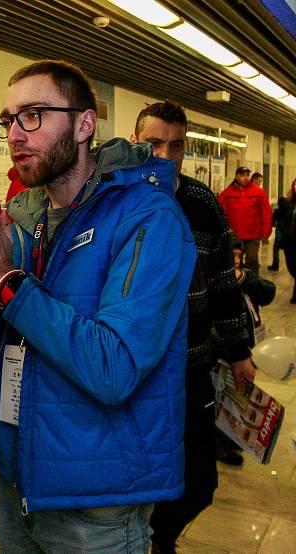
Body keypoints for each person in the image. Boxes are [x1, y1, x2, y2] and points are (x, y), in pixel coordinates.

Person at [0, 60, 195, 553]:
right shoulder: (25, 219)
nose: (15, 134)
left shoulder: (150, 219)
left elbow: (113, 367)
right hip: (18, 483)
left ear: (85, 125)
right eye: (10, 119)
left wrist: (9, 283)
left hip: (96, 506)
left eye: (34, 115)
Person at [130, 101, 256, 551]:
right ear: (135, 143)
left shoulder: (202, 203)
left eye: (176, 146)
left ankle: (158, 538)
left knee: (201, 482)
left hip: (191, 366)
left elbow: (224, 284)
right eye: (153, 144)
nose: (165, 155)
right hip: (134, 372)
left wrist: (240, 350)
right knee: (141, 472)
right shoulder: (117, 198)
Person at [218, 166, 272, 274]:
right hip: (235, 236)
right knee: (235, 262)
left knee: (252, 261)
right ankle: (237, 285)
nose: (246, 178)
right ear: (237, 176)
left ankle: (252, 285)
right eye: (242, 175)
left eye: (247, 175)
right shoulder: (227, 194)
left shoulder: (259, 193)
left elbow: (266, 212)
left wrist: (266, 232)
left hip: (253, 235)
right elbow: (220, 214)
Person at [280, 178, 296, 302]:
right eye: (295, 184)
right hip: (289, 241)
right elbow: (281, 218)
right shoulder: (288, 202)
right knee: (291, 266)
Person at [269, 197, 286, 270]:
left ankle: (275, 265)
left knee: (276, 249)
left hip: (279, 232)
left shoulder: (277, 211)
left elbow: (272, 222)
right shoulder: (288, 210)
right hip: (287, 233)